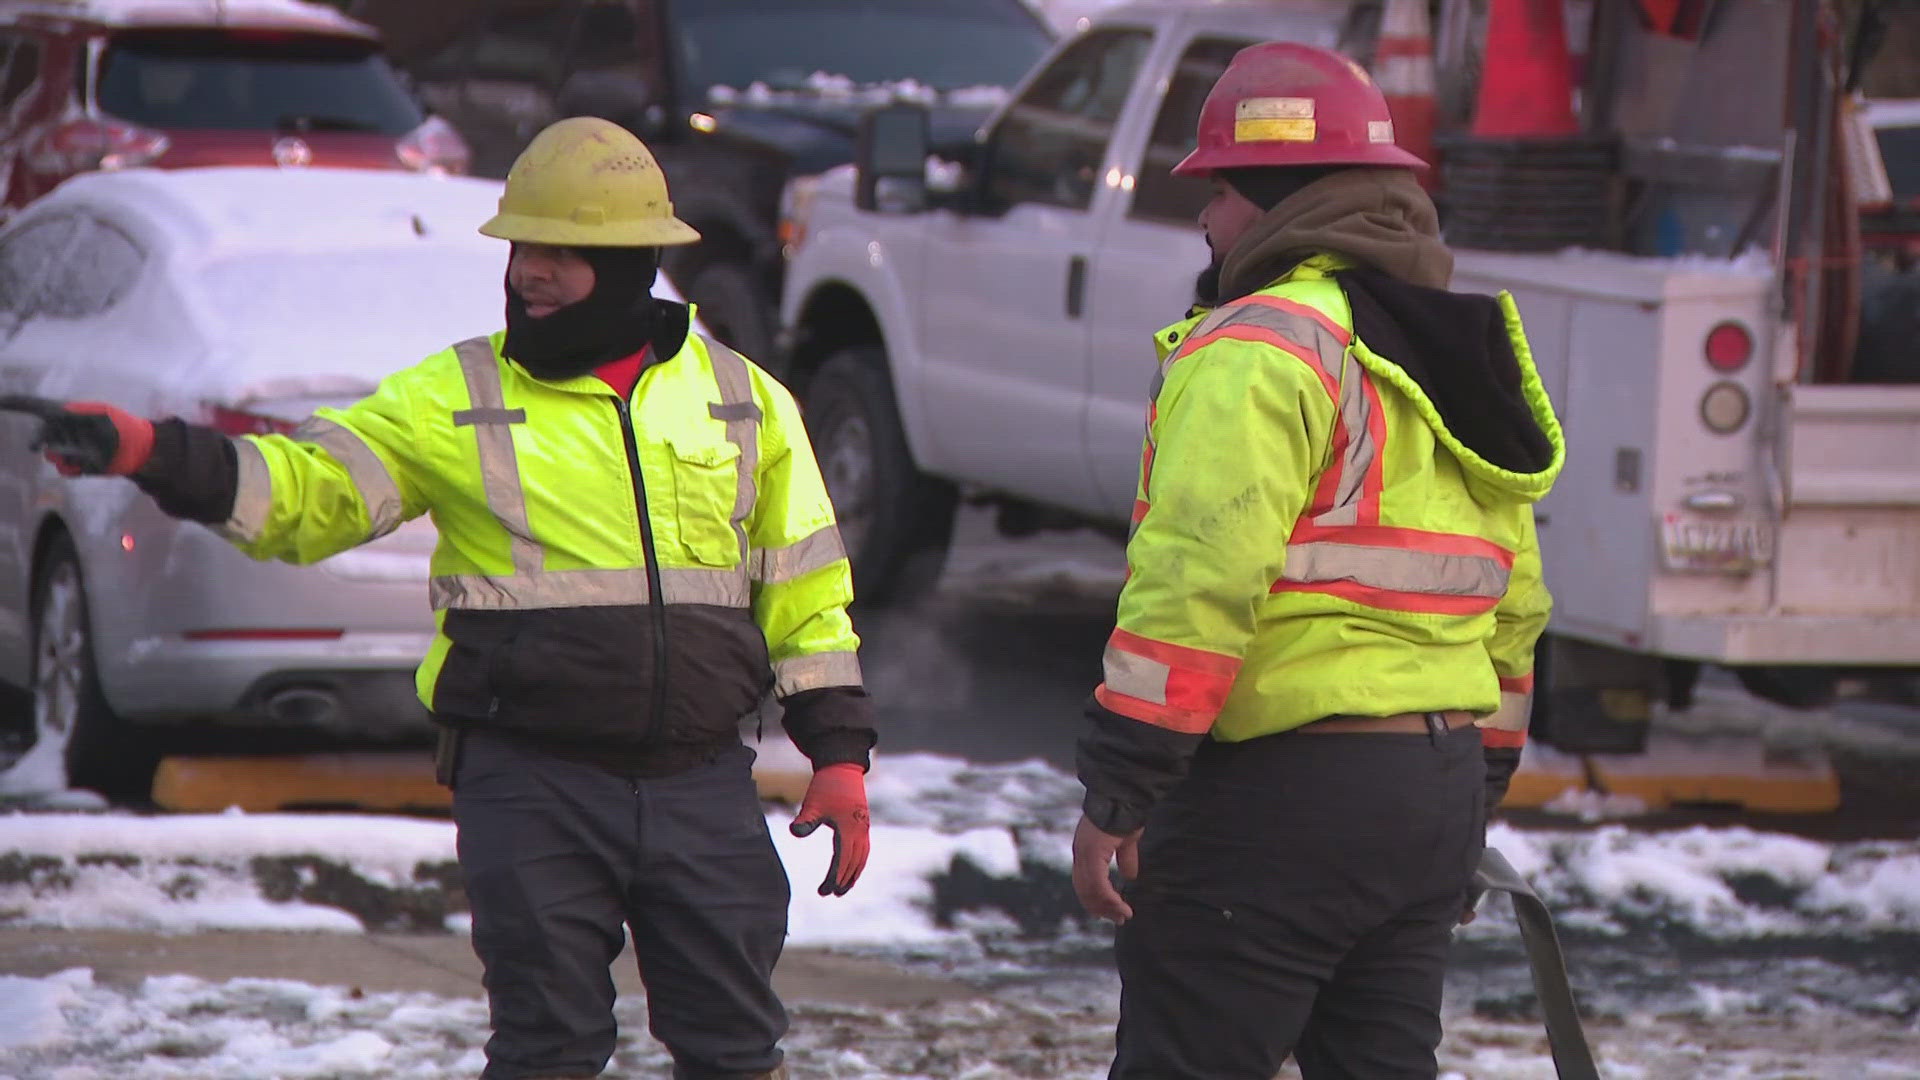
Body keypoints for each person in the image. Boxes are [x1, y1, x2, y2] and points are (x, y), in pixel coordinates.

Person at [19, 117, 871, 1080]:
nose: (531, 272)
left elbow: (807, 591)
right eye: (522, 248)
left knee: (733, 1049)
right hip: (532, 781)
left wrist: (837, 757)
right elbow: (303, 494)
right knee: (547, 1049)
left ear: (631, 264)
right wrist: (150, 451)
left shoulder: (745, 399)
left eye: (562, 252)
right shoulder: (453, 396)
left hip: (700, 781)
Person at [1068, 43, 1564, 1080]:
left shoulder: (1261, 347)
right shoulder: (1452, 351)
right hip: (1430, 793)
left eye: (1214, 190)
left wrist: (1120, 793)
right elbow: (1513, 605)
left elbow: (1196, 588)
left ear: (1266, 199)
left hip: (1279, 800)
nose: (1204, 220)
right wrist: (1479, 781)